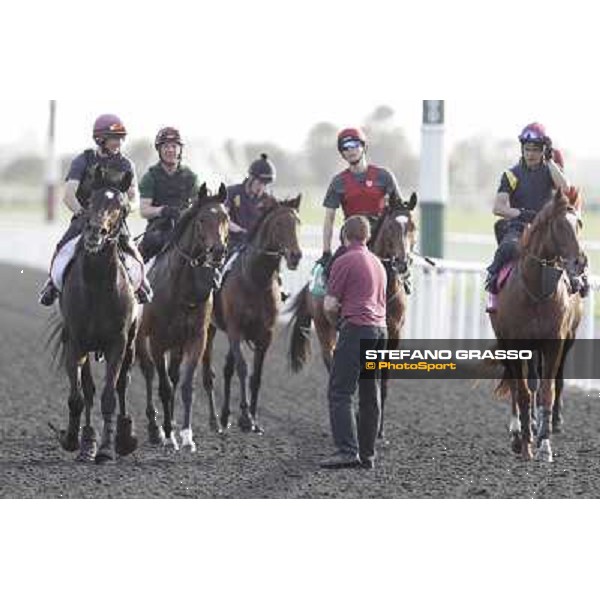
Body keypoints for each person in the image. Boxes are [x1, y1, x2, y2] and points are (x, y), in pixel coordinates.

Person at [39, 114, 152, 306]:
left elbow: (135, 198)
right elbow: (68, 195)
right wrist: (82, 214)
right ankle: (52, 284)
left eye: (120, 138)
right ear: (100, 138)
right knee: (63, 248)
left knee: (134, 253)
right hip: (85, 217)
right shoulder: (83, 160)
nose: (119, 142)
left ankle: (141, 285)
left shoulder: (126, 165)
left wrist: (127, 208)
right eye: (114, 138)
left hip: (114, 222)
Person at [485, 123, 588, 303]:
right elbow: (498, 207)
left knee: (571, 247)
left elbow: (566, 188)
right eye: (527, 149)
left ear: (543, 150)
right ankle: (492, 282)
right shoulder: (511, 175)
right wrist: (522, 214)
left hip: (547, 230)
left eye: (535, 149)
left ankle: (579, 279)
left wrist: (550, 162)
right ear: (522, 149)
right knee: (507, 248)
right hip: (519, 228)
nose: (530, 154)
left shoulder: (550, 170)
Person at [320, 216, 387, 470]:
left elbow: (329, 304)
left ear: (345, 236)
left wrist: (336, 322)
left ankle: (347, 450)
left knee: (340, 391)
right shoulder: (378, 263)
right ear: (367, 237)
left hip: (357, 329)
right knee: (370, 393)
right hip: (380, 332)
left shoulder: (344, 260)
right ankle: (368, 454)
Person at [317, 127, 411, 293]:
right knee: (327, 275)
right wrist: (326, 252)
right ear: (342, 153)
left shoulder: (384, 176)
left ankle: (404, 280)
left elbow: (400, 211)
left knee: (399, 266)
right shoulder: (338, 182)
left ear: (363, 147)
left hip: (382, 235)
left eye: (354, 144)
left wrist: (404, 246)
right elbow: (329, 220)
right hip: (352, 237)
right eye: (345, 147)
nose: (350, 150)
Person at [223, 153, 289, 301]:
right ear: (251, 179)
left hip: (257, 246)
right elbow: (224, 218)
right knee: (226, 262)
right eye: (259, 183)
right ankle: (216, 284)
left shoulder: (268, 200)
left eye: (265, 184)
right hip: (234, 242)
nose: (262, 188)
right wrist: (239, 230)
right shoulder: (232, 192)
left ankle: (279, 286)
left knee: (273, 258)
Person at [138, 127, 199, 262]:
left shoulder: (191, 177)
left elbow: (197, 205)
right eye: (166, 146)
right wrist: (162, 210)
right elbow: (144, 210)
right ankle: (141, 280)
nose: (170, 150)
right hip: (158, 229)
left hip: (184, 228)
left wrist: (186, 213)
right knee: (147, 248)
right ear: (159, 150)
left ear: (180, 150)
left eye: (174, 146)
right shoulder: (150, 176)